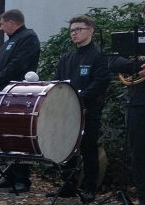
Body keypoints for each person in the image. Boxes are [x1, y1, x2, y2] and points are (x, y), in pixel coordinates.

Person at [109, 0, 145, 205]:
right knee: (139, 154)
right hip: (138, 102)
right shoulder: (134, 35)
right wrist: (140, 66)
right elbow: (114, 62)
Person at [0, 9, 41, 193]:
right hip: (6, 93)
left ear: (12, 22)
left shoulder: (28, 38)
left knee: (17, 135)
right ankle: (11, 174)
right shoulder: (12, 39)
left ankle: (22, 179)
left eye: (2, 24)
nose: (0, 28)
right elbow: (4, 65)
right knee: (6, 135)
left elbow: (17, 65)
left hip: (18, 95)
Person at [52, 15, 110, 203]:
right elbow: (57, 82)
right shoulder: (66, 58)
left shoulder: (99, 56)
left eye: (79, 29)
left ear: (91, 30)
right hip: (67, 110)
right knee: (66, 148)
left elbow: (100, 82)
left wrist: (78, 98)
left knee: (88, 148)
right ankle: (68, 186)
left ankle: (90, 188)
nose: (74, 33)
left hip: (88, 110)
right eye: (72, 31)